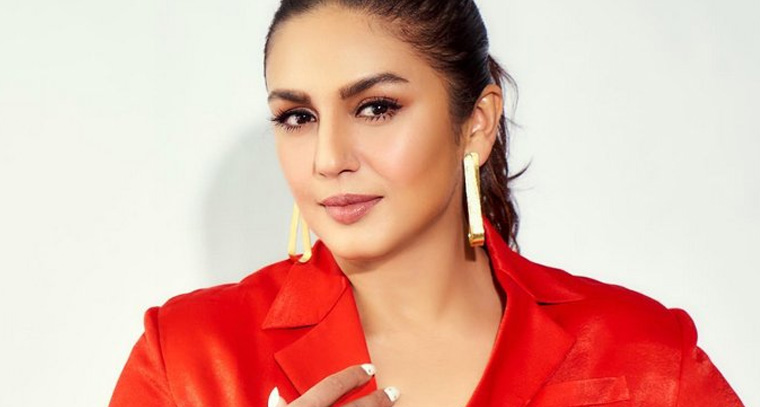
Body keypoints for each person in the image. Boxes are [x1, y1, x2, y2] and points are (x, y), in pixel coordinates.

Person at [109, 1, 745, 406]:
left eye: (376, 108)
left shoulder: (646, 358)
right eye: (298, 117)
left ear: (476, 122)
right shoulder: (189, 361)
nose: (328, 158)